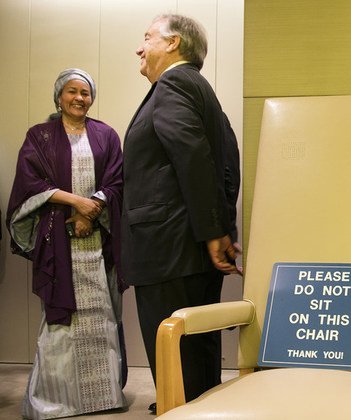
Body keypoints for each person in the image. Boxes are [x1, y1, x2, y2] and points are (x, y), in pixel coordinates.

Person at [122, 14, 240, 412]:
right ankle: (189, 407)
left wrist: (214, 232)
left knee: (175, 350)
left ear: (173, 43)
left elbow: (192, 156)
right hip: (190, 247)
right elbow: (226, 160)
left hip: (168, 248)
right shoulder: (200, 89)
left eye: (147, 37)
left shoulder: (172, 82)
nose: (140, 47)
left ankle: (179, 409)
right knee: (195, 351)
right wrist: (220, 228)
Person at [6, 68, 127, 419]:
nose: (79, 99)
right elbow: (29, 183)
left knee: (102, 317)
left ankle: (103, 397)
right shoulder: (40, 136)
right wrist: (75, 203)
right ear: (59, 96)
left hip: (94, 241)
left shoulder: (106, 134)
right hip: (58, 241)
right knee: (60, 324)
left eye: (85, 93)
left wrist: (91, 211)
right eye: (72, 92)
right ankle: (55, 401)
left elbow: (117, 180)